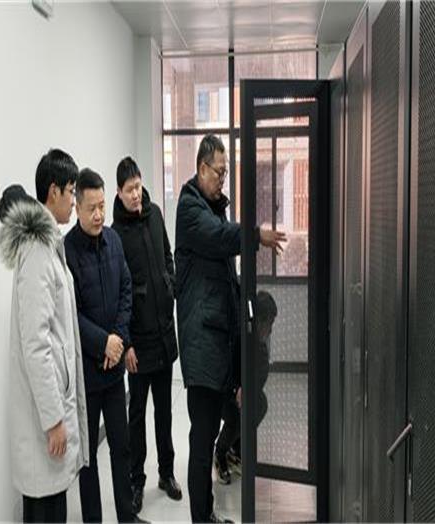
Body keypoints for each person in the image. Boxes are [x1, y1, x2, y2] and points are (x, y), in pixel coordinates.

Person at [175, 134, 286, 523]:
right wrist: (254, 235)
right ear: (201, 168)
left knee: (207, 436)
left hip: (217, 345)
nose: (223, 179)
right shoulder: (190, 209)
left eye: (226, 173)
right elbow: (219, 237)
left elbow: (227, 277)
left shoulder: (213, 208)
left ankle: (205, 514)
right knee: (201, 441)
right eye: (219, 172)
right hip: (201, 347)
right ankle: (200, 518)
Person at [0, 149, 89, 524]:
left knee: (51, 508)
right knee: (45, 511)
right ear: (53, 191)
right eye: (71, 192)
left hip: (50, 411)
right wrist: (53, 420)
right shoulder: (37, 252)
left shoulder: (47, 246)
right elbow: (36, 345)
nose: (73, 201)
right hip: (45, 420)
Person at [63, 168, 140, 523]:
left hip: (114, 369)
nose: (98, 215)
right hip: (88, 374)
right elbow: (70, 314)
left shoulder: (113, 240)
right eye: (91, 208)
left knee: (121, 447)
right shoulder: (67, 251)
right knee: (89, 459)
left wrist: (118, 340)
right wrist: (102, 344)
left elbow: (126, 290)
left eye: (102, 206)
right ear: (77, 208)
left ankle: (127, 516)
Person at [111, 156, 182, 513]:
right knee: (136, 416)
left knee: (164, 412)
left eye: (138, 187)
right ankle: (136, 481)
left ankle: (166, 474)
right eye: (129, 190)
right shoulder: (115, 234)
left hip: (163, 334)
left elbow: (168, 256)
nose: (136, 194)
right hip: (137, 343)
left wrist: (170, 286)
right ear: (119, 193)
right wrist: (126, 344)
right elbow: (118, 294)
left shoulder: (155, 216)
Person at [214, 290, 277, 483]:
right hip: (224, 392)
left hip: (242, 392)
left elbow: (260, 375)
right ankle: (220, 452)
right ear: (259, 320)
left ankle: (235, 448)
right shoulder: (238, 336)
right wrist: (236, 389)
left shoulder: (260, 344)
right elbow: (224, 367)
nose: (270, 330)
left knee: (260, 404)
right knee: (236, 415)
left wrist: (246, 389)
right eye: (269, 323)